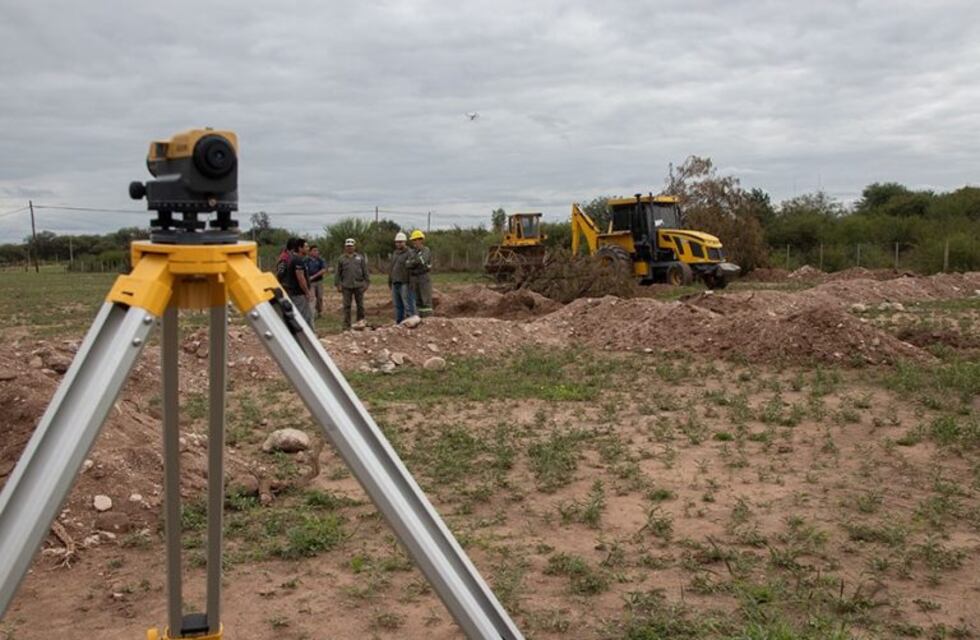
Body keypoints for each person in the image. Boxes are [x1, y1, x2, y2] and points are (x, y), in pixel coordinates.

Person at [333, 238, 370, 330]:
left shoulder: (360, 258)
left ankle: (360, 323)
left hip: (358, 285)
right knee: (347, 306)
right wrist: (337, 284)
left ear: (354, 247)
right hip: (346, 286)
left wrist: (367, 282)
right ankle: (346, 325)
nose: (350, 248)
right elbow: (338, 272)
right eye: (348, 246)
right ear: (345, 247)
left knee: (360, 305)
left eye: (351, 246)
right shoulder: (341, 259)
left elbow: (365, 270)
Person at [283, 237, 315, 327]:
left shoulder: (298, 259)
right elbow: (301, 278)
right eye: (306, 247)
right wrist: (307, 292)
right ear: (300, 248)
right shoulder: (298, 260)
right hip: (298, 294)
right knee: (303, 317)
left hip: (297, 294)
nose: (308, 249)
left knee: (306, 316)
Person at [388, 231, 416, 323]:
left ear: (405, 242)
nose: (399, 244)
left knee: (408, 304)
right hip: (395, 282)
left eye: (401, 242)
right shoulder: (395, 253)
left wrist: (411, 282)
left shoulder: (410, 253)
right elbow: (391, 268)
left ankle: (411, 321)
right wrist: (390, 280)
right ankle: (399, 323)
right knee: (397, 305)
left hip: (405, 283)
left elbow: (412, 269)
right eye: (397, 242)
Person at [406, 230, 433, 317]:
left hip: (424, 277)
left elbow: (421, 261)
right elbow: (407, 264)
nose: (414, 242)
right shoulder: (412, 252)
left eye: (415, 240)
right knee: (417, 299)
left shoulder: (426, 250)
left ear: (420, 240)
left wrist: (413, 262)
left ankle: (428, 318)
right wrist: (414, 262)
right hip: (415, 278)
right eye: (413, 240)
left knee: (425, 298)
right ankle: (420, 318)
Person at [307, 245, 327, 318]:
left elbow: (323, 270)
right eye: (314, 250)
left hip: (319, 281)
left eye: (317, 250)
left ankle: (319, 311)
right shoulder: (306, 260)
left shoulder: (320, 260)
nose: (316, 252)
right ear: (310, 252)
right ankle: (312, 313)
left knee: (320, 297)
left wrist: (313, 276)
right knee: (311, 298)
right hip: (310, 283)